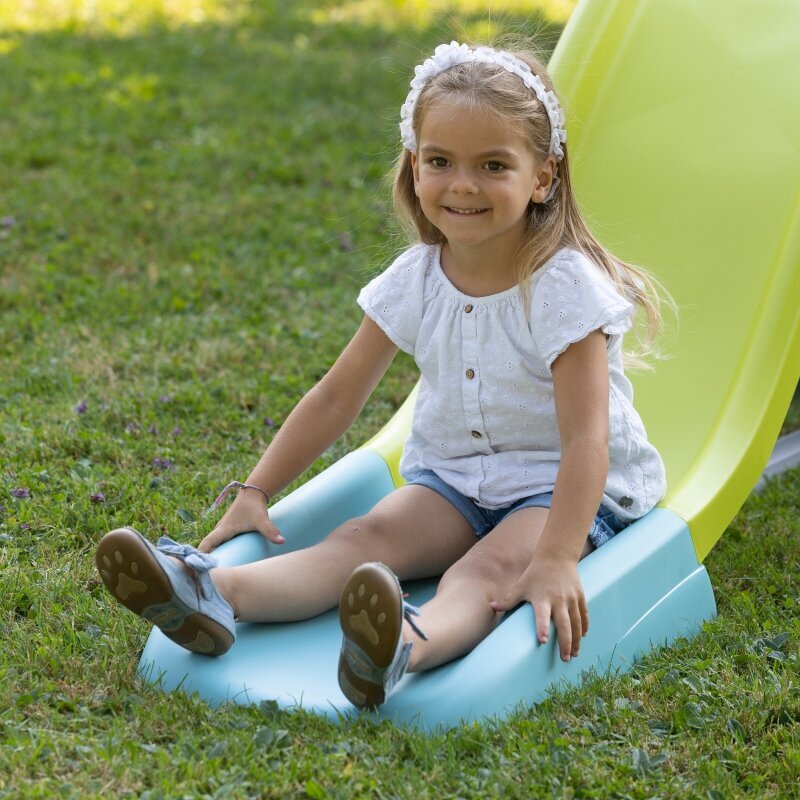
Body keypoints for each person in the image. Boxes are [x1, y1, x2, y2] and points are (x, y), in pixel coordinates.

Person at [95, 40, 668, 711]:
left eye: (493, 165)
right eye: (440, 162)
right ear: (414, 166)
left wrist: (557, 558)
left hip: (560, 490)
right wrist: (257, 489)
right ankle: (214, 596)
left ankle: (402, 646)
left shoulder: (564, 288)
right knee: (364, 539)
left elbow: (586, 442)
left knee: (485, 569)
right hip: (453, 479)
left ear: (542, 176)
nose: (462, 185)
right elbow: (337, 395)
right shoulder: (416, 279)